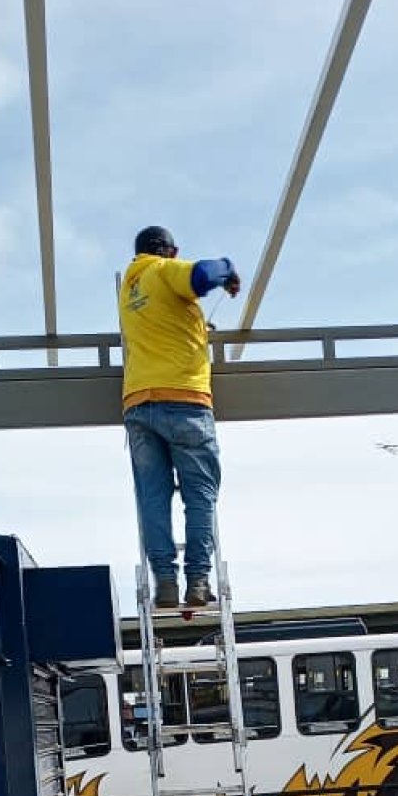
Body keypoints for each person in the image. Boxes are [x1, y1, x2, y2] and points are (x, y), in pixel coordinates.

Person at [119, 225, 241, 609]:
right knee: (200, 495)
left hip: (138, 404)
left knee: (152, 498)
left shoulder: (130, 288)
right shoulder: (162, 271)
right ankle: (199, 581)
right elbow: (203, 274)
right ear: (170, 252)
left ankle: (166, 584)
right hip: (184, 400)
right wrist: (229, 268)